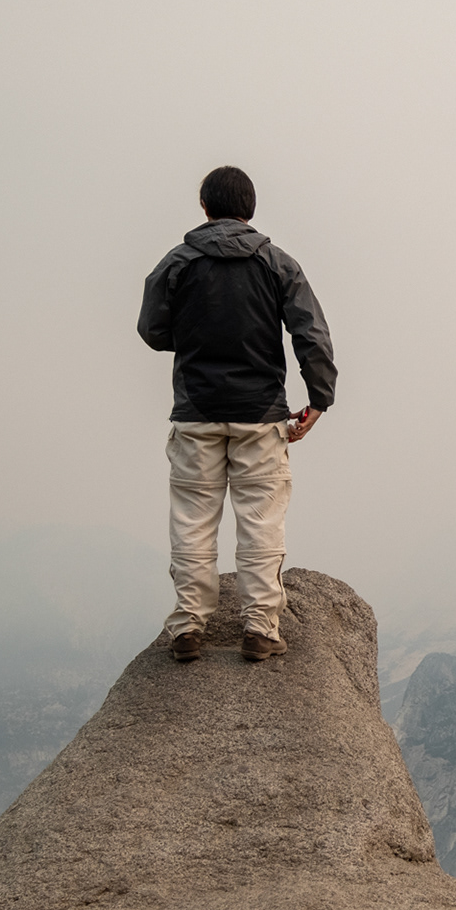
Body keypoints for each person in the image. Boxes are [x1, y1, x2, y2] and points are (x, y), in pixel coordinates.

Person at [136, 166, 337, 663]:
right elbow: (310, 333)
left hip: (197, 411)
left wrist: (194, 335)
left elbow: (152, 331)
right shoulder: (276, 262)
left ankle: (187, 626)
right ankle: (260, 627)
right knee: (261, 522)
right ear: (250, 209)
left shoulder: (177, 262)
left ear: (204, 207)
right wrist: (319, 399)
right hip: (260, 414)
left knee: (192, 520)